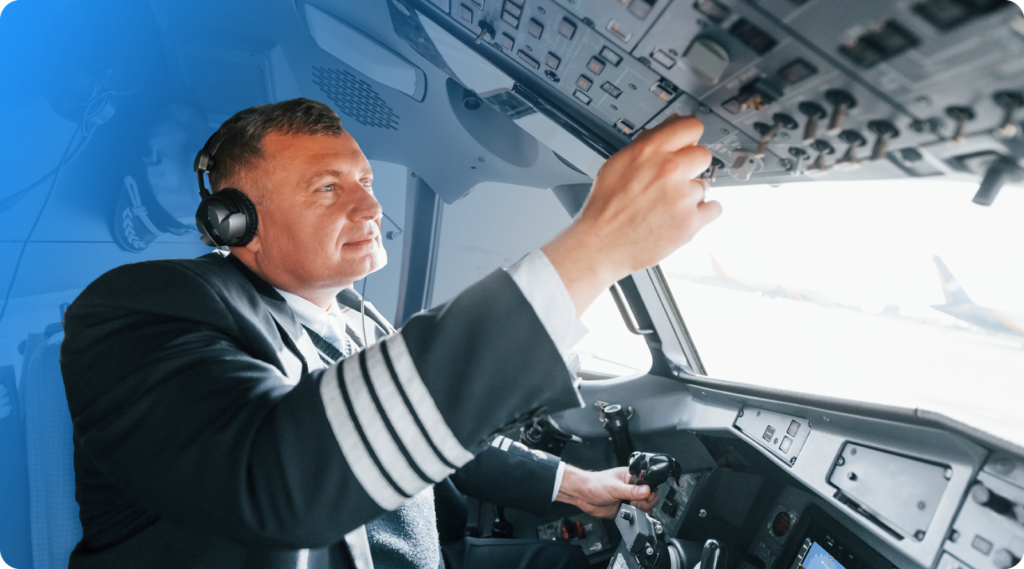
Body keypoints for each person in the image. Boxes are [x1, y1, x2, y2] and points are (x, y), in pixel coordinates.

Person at [60, 98, 720, 569]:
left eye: (366, 181)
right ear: (239, 224)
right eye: (327, 188)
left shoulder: (357, 320)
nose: (371, 207)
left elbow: (428, 429)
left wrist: (572, 483)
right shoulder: (138, 311)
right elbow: (282, 473)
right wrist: (593, 250)